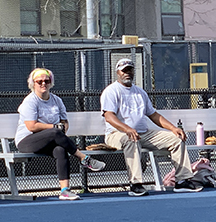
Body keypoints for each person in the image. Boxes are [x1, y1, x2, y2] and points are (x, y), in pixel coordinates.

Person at [101, 58, 202, 197]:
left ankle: (182, 181)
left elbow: (153, 115)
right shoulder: (111, 91)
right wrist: (127, 129)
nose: (127, 73)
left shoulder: (140, 92)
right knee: (132, 139)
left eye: (130, 70)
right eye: (124, 70)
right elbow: (109, 117)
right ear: (117, 72)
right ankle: (135, 184)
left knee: (176, 138)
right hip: (116, 134)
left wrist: (173, 128)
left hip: (143, 134)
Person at [15, 68, 106, 200]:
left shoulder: (57, 100)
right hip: (27, 141)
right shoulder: (30, 101)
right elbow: (31, 126)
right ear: (33, 84)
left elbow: (64, 122)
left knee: (60, 149)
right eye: (39, 81)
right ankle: (83, 158)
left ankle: (65, 190)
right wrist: (55, 128)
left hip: (51, 139)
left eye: (46, 81)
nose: (43, 84)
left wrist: (61, 130)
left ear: (51, 82)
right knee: (54, 131)